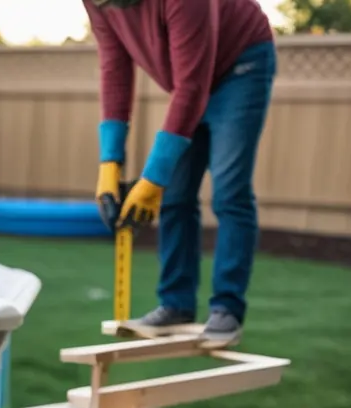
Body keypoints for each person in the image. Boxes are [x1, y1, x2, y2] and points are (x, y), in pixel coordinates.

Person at [86, 0, 276, 346]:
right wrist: (109, 163)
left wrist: (153, 178)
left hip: (241, 66)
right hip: (191, 76)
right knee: (175, 194)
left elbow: (191, 86)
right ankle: (176, 304)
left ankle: (227, 309)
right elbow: (114, 68)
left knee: (229, 191)